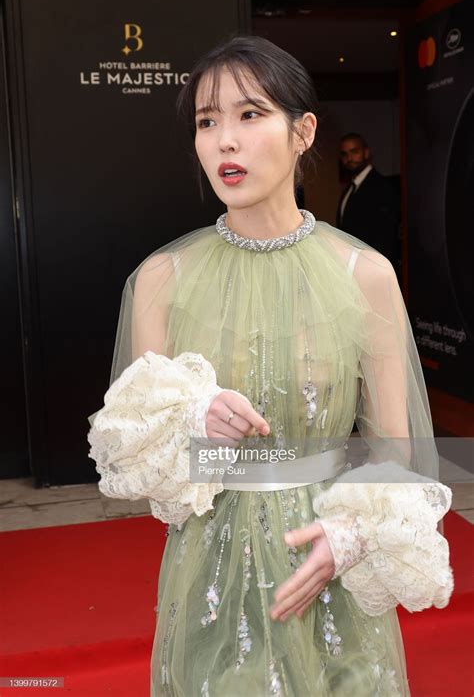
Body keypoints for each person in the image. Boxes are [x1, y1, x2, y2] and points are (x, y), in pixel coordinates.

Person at [88, 36, 454, 696]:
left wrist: (354, 533)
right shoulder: (161, 280)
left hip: (328, 557)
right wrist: (189, 421)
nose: (225, 140)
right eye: (207, 121)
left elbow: (395, 450)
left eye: (250, 114)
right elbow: (143, 465)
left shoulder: (364, 274)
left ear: (302, 130)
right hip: (212, 560)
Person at [337, 133, 400, 270]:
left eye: (354, 151)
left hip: (372, 269)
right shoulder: (349, 189)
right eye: (344, 154)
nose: (349, 158)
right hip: (350, 269)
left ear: (366, 153)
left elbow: (386, 239)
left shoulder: (383, 187)